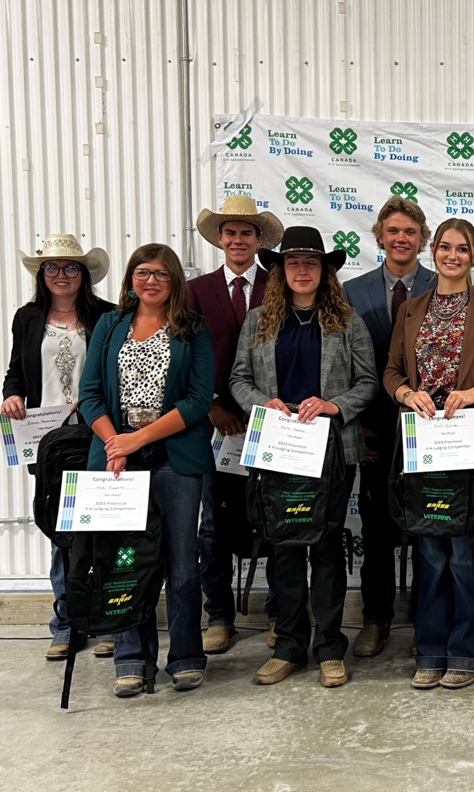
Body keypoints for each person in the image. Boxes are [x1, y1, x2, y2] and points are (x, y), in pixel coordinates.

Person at [229, 226, 377, 688]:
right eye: (293, 262)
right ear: (279, 270)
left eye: (311, 262)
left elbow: (368, 382)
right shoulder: (258, 322)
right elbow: (237, 380)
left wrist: (335, 406)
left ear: (325, 271)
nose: (302, 270)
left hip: (331, 448)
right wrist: (262, 403)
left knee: (327, 547)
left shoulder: (348, 321)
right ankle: (290, 645)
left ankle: (330, 646)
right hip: (277, 447)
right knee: (284, 549)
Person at [384, 218, 474, 691]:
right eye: (445, 247)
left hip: (470, 441)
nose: (452, 256)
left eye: (462, 249)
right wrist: (406, 393)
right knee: (429, 549)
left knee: (464, 552)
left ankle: (466, 652)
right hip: (424, 444)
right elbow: (391, 372)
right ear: (433, 251)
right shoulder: (411, 309)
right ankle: (430, 650)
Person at [78, 243, 214, 697]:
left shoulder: (192, 330)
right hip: (117, 461)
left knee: (181, 564)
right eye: (141, 272)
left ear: (174, 280)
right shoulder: (109, 325)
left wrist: (138, 438)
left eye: (160, 273)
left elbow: (197, 400)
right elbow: (92, 393)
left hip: (175, 458)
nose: (150, 280)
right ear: (130, 279)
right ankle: (131, 657)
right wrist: (114, 442)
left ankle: (186, 656)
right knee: (124, 562)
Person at [2, 234, 115, 661]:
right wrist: (12, 394)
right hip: (47, 439)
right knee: (61, 533)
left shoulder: (106, 315)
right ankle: (67, 624)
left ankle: (107, 620)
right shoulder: (27, 318)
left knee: (105, 527)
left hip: (97, 434)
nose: (61, 275)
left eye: (70, 268)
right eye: (52, 267)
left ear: (84, 275)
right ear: (41, 274)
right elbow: (16, 371)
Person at [342, 196, 436, 658]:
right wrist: (361, 425)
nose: (401, 239)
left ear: (424, 240)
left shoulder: (444, 287)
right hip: (373, 429)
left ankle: (426, 618)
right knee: (376, 528)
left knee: (429, 523)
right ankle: (375, 619)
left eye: (411, 232)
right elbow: (342, 366)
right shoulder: (350, 292)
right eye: (393, 231)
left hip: (431, 428)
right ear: (380, 237)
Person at [189, 195, 284, 655]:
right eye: (231, 232)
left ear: (259, 240)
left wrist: (267, 408)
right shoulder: (196, 291)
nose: (238, 240)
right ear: (220, 239)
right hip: (213, 424)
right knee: (214, 525)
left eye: (247, 233)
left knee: (274, 518)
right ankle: (219, 615)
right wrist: (210, 407)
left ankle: (278, 613)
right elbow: (183, 355)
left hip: (271, 419)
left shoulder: (280, 285)